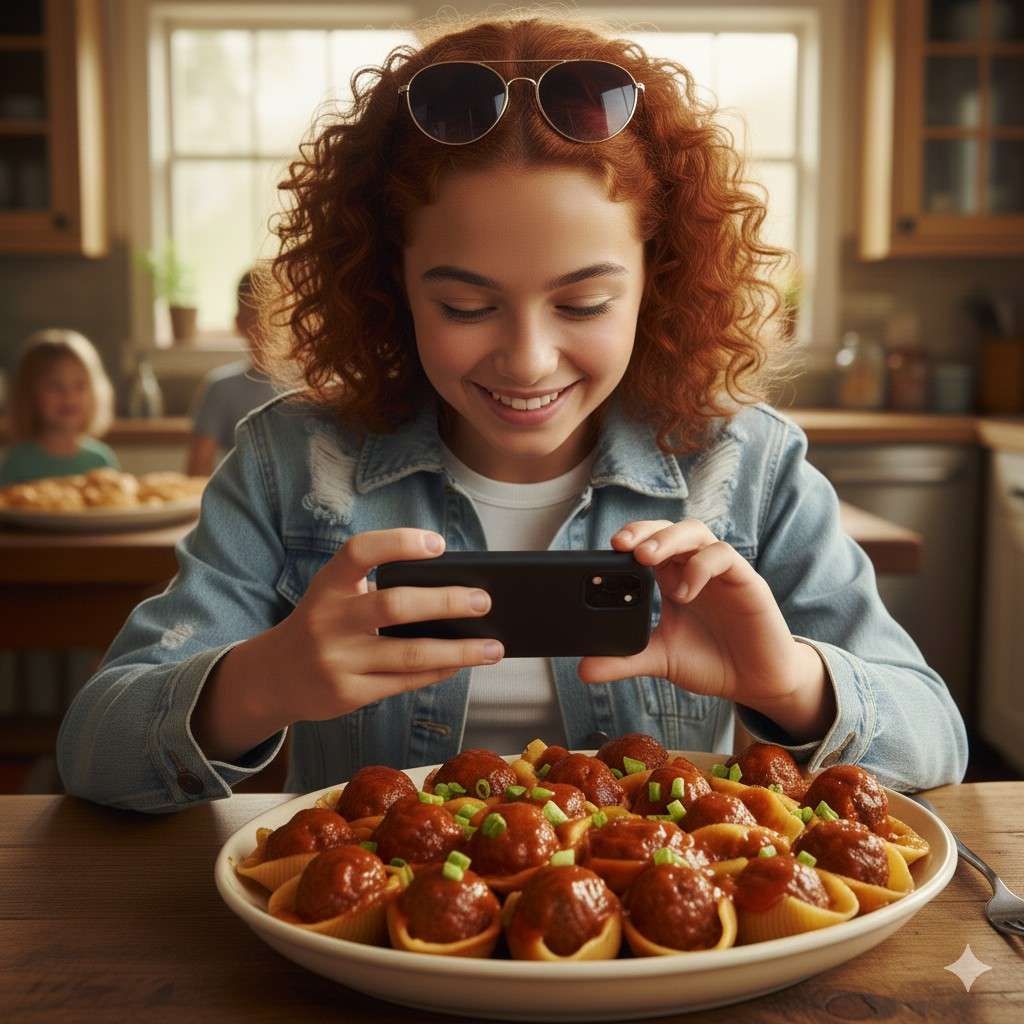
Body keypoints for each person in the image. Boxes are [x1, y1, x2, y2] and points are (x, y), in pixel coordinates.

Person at [57, 15, 968, 814]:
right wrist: (261, 683)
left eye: (583, 304)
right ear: (390, 285)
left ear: (657, 281)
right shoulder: (289, 461)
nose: (529, 360)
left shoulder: (747, 463)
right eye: (465, 306)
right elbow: (94, 751)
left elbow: (935, 741)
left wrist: (791, 683)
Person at [184, 269, 277, 476]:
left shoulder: (313, 386)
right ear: (238, 323)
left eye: (273, 314)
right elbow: (198, 469)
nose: (264, 325)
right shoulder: (221, 388)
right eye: (254, 315)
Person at [0, 328, 117, 486]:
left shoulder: (101, 460)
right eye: (55, 386)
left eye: (80, 385)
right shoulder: (18, 463)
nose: (69, 396)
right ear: (29, 394)